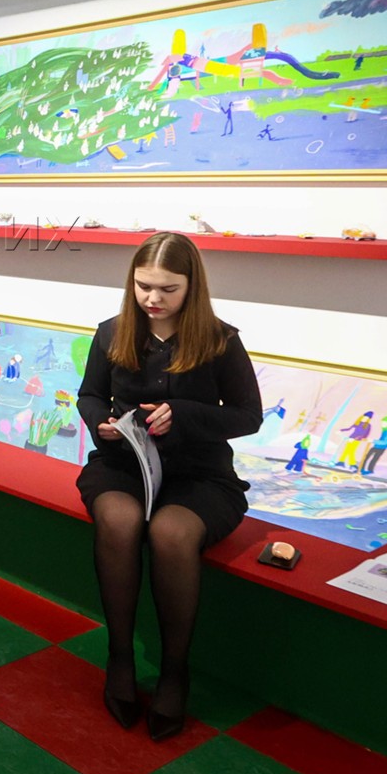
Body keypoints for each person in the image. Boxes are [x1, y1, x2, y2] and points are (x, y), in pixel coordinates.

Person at [76, 232, 263, 742]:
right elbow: (89, 395)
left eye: (167, 289)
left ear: (191, 287)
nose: (153, 299)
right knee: (119, 520)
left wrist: (183, 415)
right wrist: (101, 423)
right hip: (123, 465)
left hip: (200, 474)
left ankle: (175, 673)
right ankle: (119, 658)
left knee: (171, 534)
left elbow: (249, 416)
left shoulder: (220, 340)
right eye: (143, 286)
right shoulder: (112, 332)